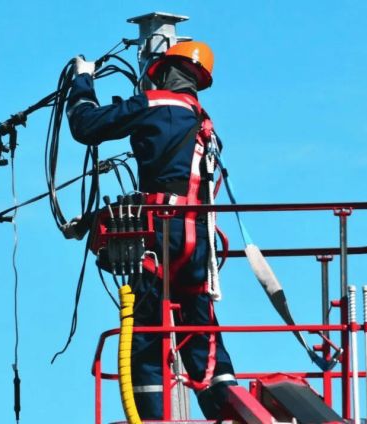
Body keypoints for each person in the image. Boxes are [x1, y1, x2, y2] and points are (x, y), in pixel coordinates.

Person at [64, 42, 239, 420]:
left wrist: (82, 80)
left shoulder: (155, 105)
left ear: (159, 72)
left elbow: (86, 125)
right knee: (202, 331)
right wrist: (94, 220)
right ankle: (228, 406)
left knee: (146, 336)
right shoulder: (204, 124)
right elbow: (177, 187)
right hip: (197, 243)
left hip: (160, 238)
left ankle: (152, 418)